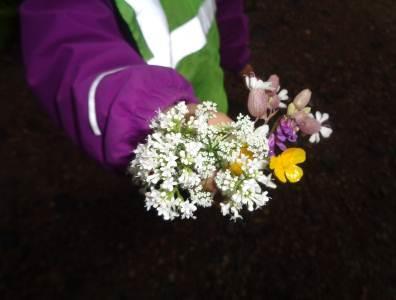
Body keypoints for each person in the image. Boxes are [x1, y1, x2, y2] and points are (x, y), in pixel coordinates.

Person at [20, 0, 252, 172]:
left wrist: (239, 57)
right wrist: (161, 117)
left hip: (209, 88)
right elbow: (69, 53)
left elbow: (223, 8)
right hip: (148, 122)